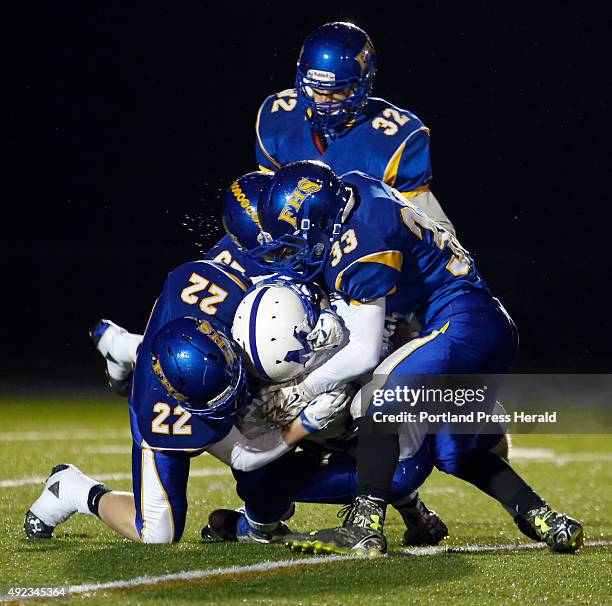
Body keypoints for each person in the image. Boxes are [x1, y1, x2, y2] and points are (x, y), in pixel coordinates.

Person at [251, 159, 584, 555]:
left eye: (298, 236)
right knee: (453, 452)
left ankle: (365, 525)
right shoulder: (357, 187)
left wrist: (304, 387)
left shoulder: (362, 242)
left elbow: (363, 352)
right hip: (484, 325)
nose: (297, 249)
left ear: (322, 220)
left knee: (376, 397)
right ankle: (545, 519)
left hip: (460, 326)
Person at [24, 260, 345, 544]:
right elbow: (244, 457)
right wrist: (306, 423)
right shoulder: (164, 415)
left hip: (177, 332)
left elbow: (290, 285)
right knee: (157, 533)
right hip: (159, 388)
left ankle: (121, 346)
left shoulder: (224, 296)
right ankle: (72, 489)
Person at [255, 21, 454, 234]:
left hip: (363, 249)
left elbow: (435, 235)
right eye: (315, 89)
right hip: (294, 244)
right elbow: (268, 206)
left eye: (335, 93)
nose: (322, 102)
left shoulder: (398, 138)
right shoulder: (277, 119)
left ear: (362, 84)